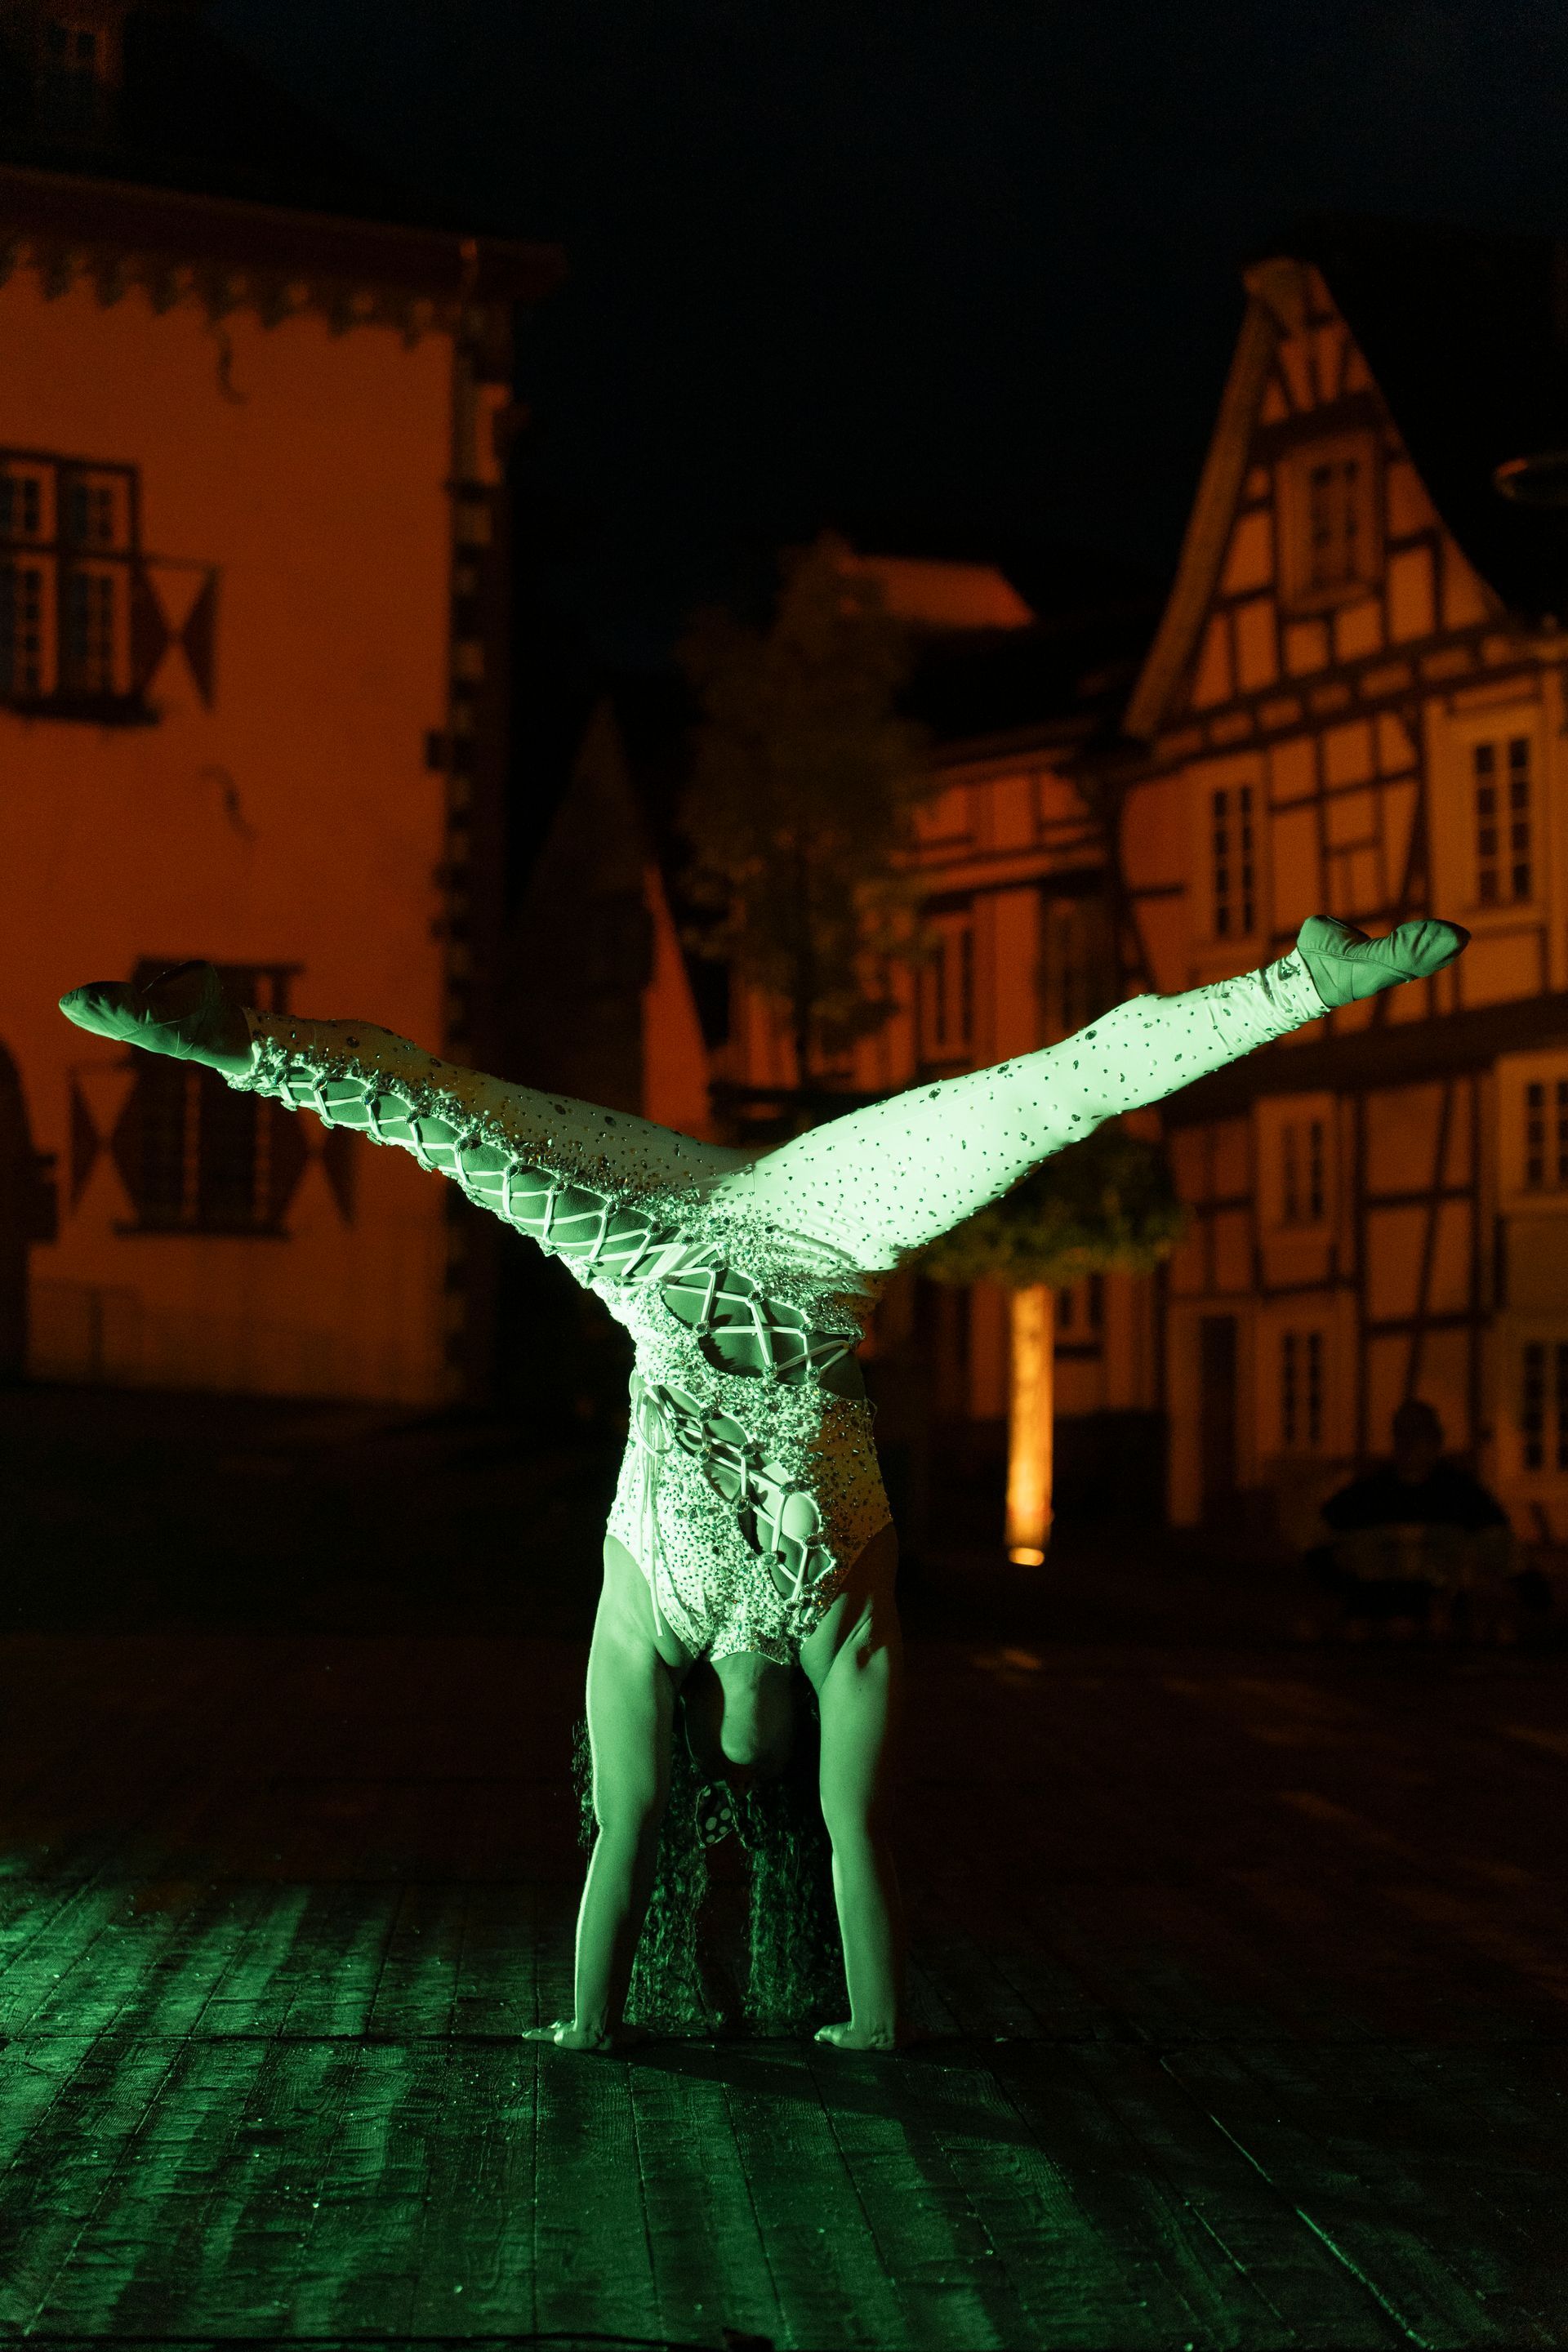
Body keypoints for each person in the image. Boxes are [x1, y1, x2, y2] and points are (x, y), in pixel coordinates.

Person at [59, 911, 1468, 2048]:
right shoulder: (843, 1626)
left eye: (732, 1732)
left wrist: (589, 2022)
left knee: (455, 1123)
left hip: (650, 1256)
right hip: (820, 1235)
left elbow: (625, 1834)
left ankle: (227, 1038)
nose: (751, 1716)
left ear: (705, 1724)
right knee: (1041, 1099)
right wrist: (872, 2021)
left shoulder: (643, 1625)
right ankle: (1304, 978)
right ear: (790, 1722)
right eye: (772, 1732)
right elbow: (859, 1835)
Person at [1312, 1396, 1528, 1639]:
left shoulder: (1465, 1496)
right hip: (1374, 1613)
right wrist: (1342, 1582)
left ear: (1436, 1441)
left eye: (1418, 1434)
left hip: (1443, 1615)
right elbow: (1312, 1542)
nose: (1409, 1443)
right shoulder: (1364, 1495)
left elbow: (1503, 1553)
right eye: (1402, 1434)